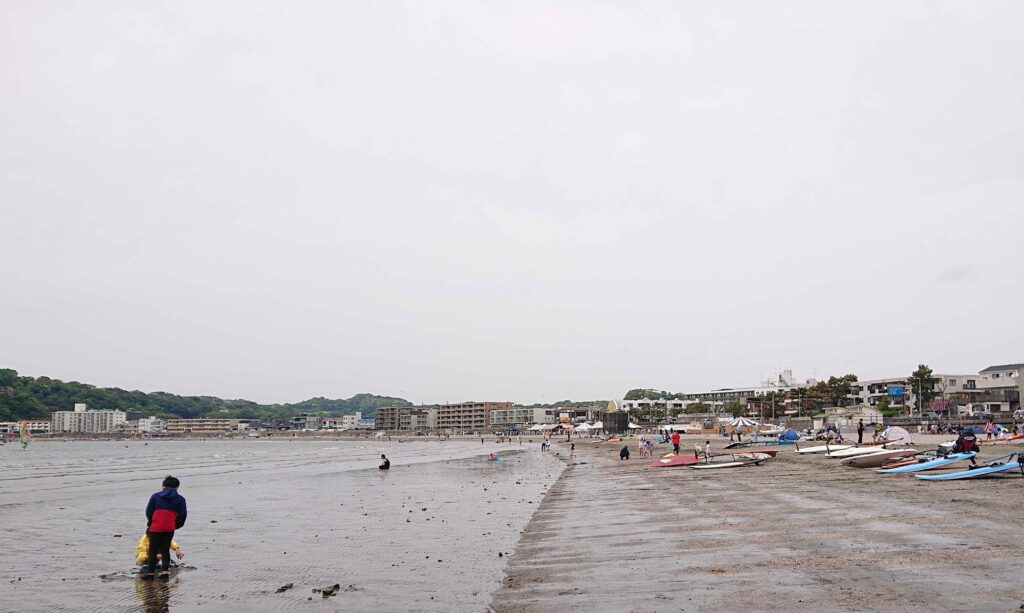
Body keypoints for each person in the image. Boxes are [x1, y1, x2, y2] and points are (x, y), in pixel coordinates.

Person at [144, 476, 187, 580]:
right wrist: (176, 525)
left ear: (163, 486)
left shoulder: (155, 496)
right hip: (169, 528)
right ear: (177, 487)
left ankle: (150, 574)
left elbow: (148, 511)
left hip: (155, 527)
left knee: (153, 550)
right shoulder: (180, 499)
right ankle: (165, 573)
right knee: (165, 549)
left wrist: (151, 522)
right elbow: (182, 515)